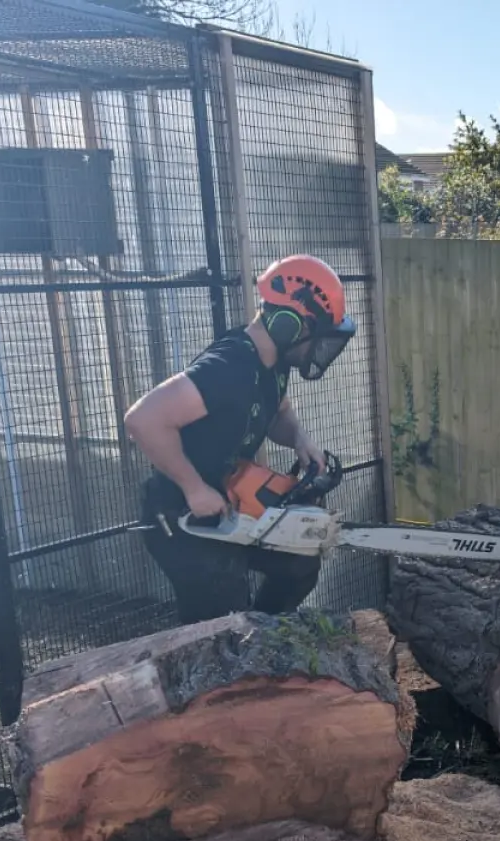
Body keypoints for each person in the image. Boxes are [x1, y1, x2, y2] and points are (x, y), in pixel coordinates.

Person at [125, 254, 357, 624]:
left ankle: (267, 637)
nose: (319, 348)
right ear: (289, 324)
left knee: (298, 563)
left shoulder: (273, 364)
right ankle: (226, 653)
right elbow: (143, 420)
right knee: (223, 608)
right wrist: (194, 488)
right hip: (182, 515)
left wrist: (299, 438)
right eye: (318, 336)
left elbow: (279, 410)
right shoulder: (229, 366)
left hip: (231, 503)